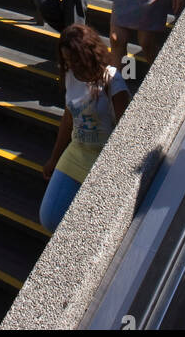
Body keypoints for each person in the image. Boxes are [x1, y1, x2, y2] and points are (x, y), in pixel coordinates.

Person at [40, 24, 130, 232]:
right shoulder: (71, 75)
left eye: (75, 60)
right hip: (77, 151)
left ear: (88, 53)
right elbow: (69, 116)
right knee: (50, 218)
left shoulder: (112, 80)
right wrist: (54, 158)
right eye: (67, 61)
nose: (71, 66)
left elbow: (126, 131)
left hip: (103, 158)